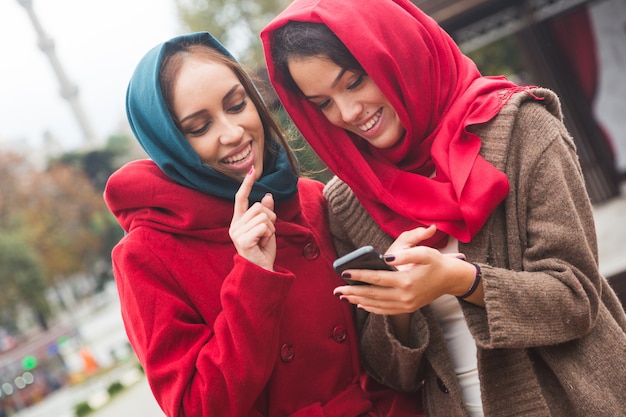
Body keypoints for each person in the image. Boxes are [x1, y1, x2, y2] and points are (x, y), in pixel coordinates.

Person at [261, 0, 626, 416]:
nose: (347, 112)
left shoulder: (523, 128)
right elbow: (391, 374)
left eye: (354, 81)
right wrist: (398, 307)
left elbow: (576, 300)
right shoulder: (348, 201)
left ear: (396, 53)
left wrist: (460, 280)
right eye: (323, 103)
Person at [103, 32, 425, 417]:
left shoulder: (311, 198)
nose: (234, 133)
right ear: (169, 142)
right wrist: (253, 277)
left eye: (237, 105)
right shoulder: (146, 254)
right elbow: (198, 408)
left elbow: (377, 352)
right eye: (199, 127)